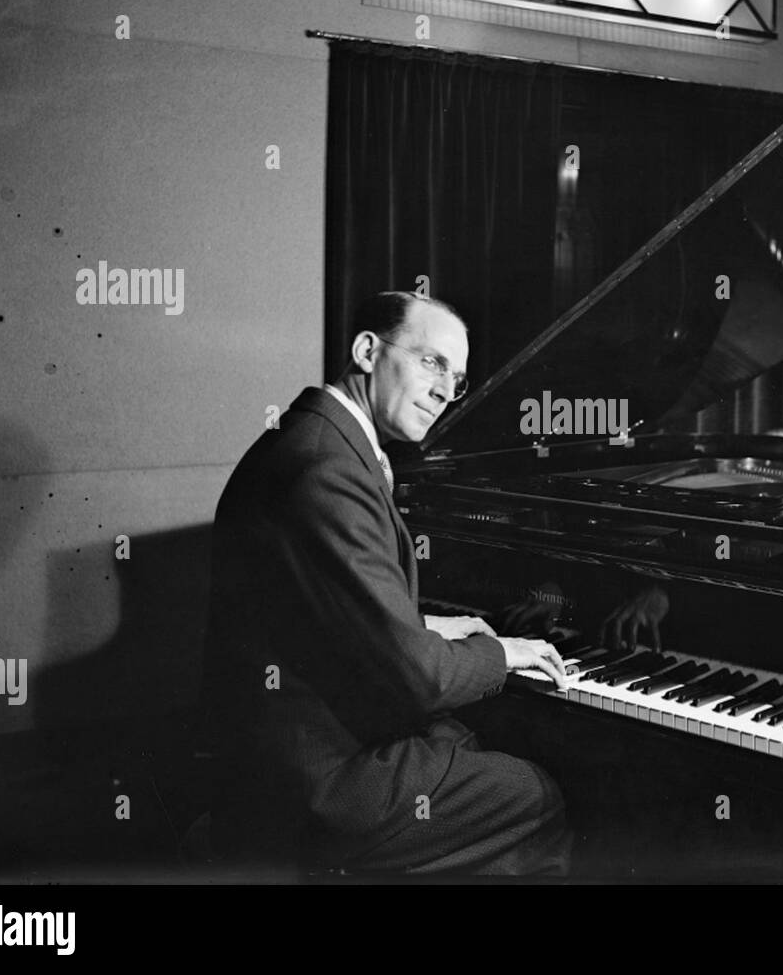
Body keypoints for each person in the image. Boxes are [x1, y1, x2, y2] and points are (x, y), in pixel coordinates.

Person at [201, 290, 573, 877]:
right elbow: (420, 679)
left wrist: (422, 624)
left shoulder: (314, 439)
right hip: (316, 779)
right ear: (367, 351)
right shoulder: (328, 468)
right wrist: (500, 651)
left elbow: (321, 610)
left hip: (293, 741)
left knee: (474, 742)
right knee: (536, 795)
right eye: (431, 362)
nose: (445, 393)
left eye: (457, 378)